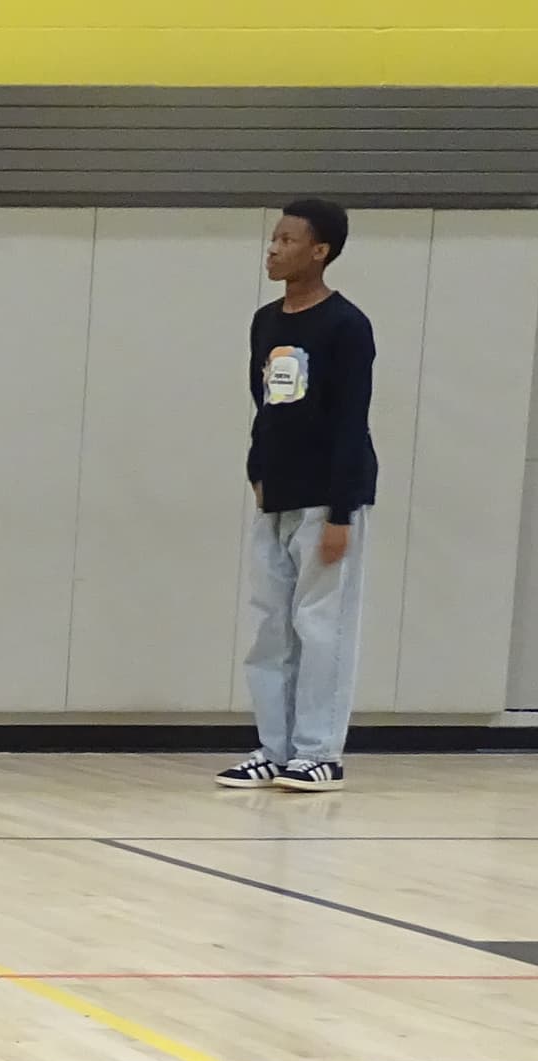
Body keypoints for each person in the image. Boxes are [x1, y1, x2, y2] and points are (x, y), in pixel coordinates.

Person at [221, 197, 376, 795]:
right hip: (275, 494)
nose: (274, 248)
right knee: (271, 629)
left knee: (322, 626)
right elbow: (263, 407)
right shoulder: (267, 321)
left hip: (326, 498)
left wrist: (340, 511)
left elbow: (349, 420)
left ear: (321, 251)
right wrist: (258, 471)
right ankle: (274, 747)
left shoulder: (346, 325)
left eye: (288, 240)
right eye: (273, 239)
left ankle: (319, 752)